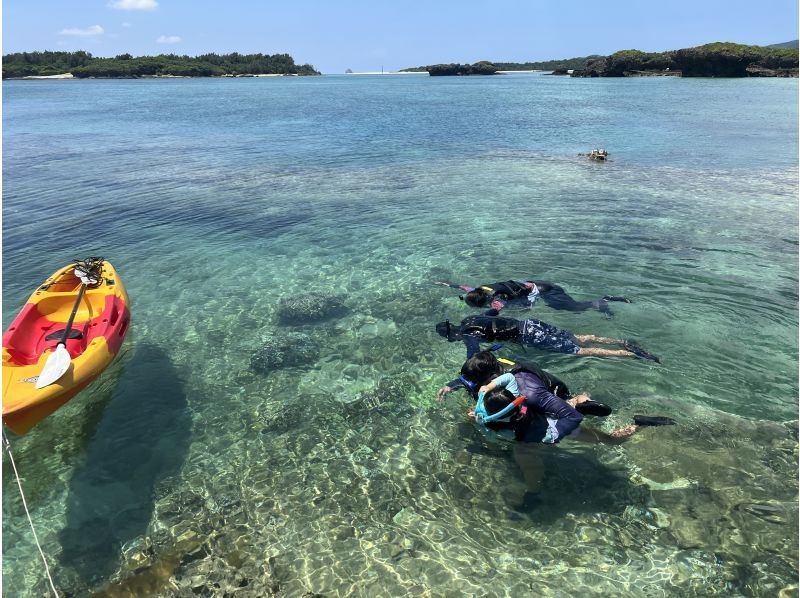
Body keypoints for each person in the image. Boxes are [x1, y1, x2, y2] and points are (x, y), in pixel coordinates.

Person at [439, 351, 673, 445]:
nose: (469, 386)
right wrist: (452, 386)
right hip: (539, 396)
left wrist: (555, 435)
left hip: (551, 401)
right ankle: (581, 402)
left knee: (610, 441)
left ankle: (638, 424)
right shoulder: (498, 370)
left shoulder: (526, 392)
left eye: (471, 382)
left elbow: (563, 415)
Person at [434, 311, 659, 361]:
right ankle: (622, 341)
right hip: (529, 322)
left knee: (579, 351)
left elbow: (473, 356)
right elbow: (493, 312)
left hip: (528, 334)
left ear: (452, 335)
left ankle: (630, 354)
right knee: (576, 337)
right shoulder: (469, 319)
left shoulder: (467, 335)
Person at [434, 279, 631, 315]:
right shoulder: (480, 289)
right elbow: (463, 286)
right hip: (539, 284)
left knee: (575, 309)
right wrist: (446, 284)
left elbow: (496, 313)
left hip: (547, 291)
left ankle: (605, 300)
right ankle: (602, 301)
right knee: (569, 308)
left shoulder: (496, 301)